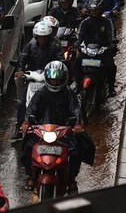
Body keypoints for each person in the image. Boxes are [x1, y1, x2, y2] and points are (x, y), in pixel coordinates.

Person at [20, 61, 86, 194]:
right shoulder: (41, 92)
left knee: (76, 151)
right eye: (52, 78)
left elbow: (76, 110)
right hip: (42, 131)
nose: (55, 81)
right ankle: (31, 176)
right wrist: (26, 121)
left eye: (58, 78)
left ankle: (72, 180)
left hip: (64, 133)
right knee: (27, 147)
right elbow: (31, 107)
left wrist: (77, 124)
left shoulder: (69, 94)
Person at [12, 21, 64, 139]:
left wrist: (57, 72)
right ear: (36, 36)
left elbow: (61, 60)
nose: (42, 40)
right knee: (22, 104)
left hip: (51, 79)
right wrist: (20, 70)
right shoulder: (30, 45)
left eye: (45, 37)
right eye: (40, 37)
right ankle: (19, 128)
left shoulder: (56, 45)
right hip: (33, 78)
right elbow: (22, 59)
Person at [75, 0, 117, 97]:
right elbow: (80, 35)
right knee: (77, 63)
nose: (94, 12)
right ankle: (78, 85)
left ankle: (111, 88)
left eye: (97, 10)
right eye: (93, 10)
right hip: (88, 51)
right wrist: (77, 43)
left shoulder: (107, 22)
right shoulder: (85, 22)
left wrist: (112, 44)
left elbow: (111, 35)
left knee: (111, 66)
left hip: (102, 51)